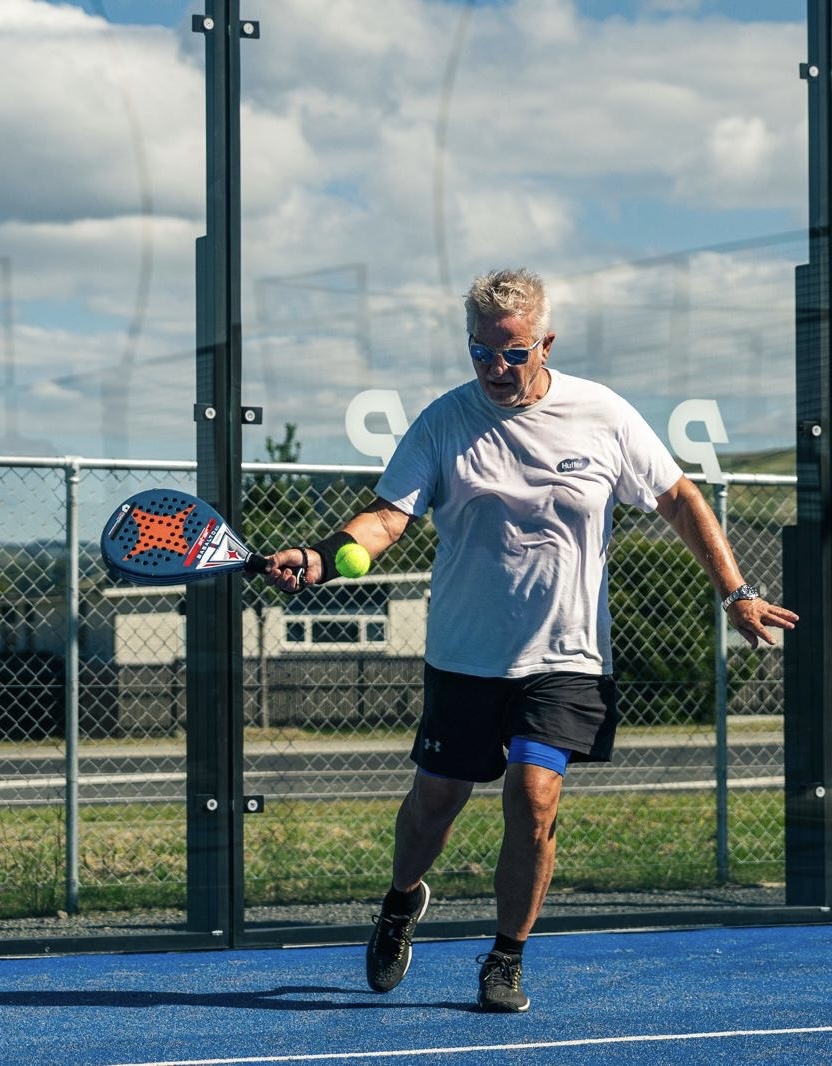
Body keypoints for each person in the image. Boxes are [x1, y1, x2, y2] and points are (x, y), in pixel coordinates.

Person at [265, 267, 798, 1013]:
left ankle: (506, 957)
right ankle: (400, 902)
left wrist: (735, 592)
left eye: (513, 353)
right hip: (466, 659)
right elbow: (387, 518)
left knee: (534, 793)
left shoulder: (602, 414)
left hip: (567, 660)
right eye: (481, 352)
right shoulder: (446, 421)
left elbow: (678, 496)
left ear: (544, 342)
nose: (496, 369)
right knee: (433, 808)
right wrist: (325, 555)